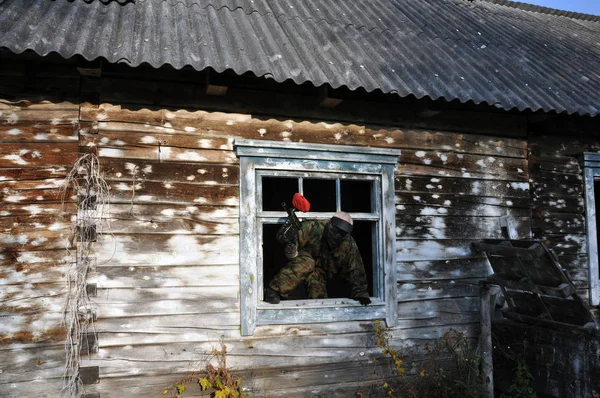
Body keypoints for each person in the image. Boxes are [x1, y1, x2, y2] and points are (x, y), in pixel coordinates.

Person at [265, 211, 371, 306]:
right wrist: (289, 247)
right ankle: (273, 290)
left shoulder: (348, 245)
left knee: (320, 303)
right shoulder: (313, 228)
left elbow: (355, 269)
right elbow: (287, 242)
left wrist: (361, 294)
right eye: (335, 230)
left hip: (319, 276)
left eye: (342, 233)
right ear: (330, 224)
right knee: (308, 263)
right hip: (299, 265)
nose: (337, 235)